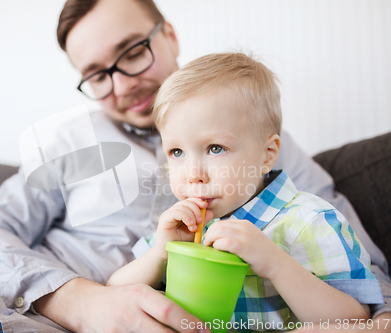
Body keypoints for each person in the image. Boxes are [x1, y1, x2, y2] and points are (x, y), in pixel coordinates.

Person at [0, 0, 390, 332]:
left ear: (168, 34)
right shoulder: (73, 144)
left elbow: (361, 274)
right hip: (17, 312)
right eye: (96, 75)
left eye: (131, 52)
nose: (122, 84)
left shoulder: (256, 138)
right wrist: (80, 303)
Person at [106, 52, 383, 329]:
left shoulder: (308, 222)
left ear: (267, 154)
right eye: (177, 152)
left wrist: (276, 264)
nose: (193, 174)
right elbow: (114, 292)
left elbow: (355, 320)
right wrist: (161, 254)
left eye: (215, 148)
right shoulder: (183, 228)